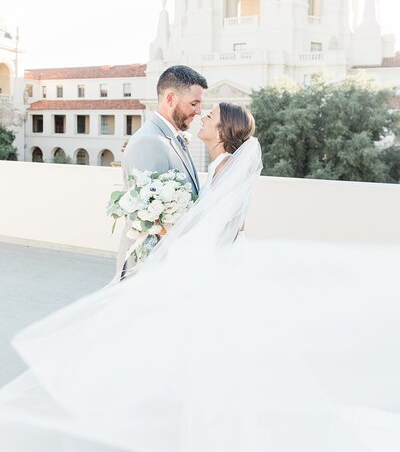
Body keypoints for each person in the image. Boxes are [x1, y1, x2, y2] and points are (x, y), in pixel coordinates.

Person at [1, 104, 400, 451]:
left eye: (210, 116)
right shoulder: (221, 164)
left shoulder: (225, 166)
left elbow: (223, 228)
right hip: (215, 263)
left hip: (214, 268)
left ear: (223, 131)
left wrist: (169, 237)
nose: (203, 117)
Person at [114, 64, 208, 282]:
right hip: (150, 267)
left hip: (170, 263)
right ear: (170, 99)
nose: (198, 111)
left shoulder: (171, 137)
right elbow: (148, 219)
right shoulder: (149, 142)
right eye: (193, 103)